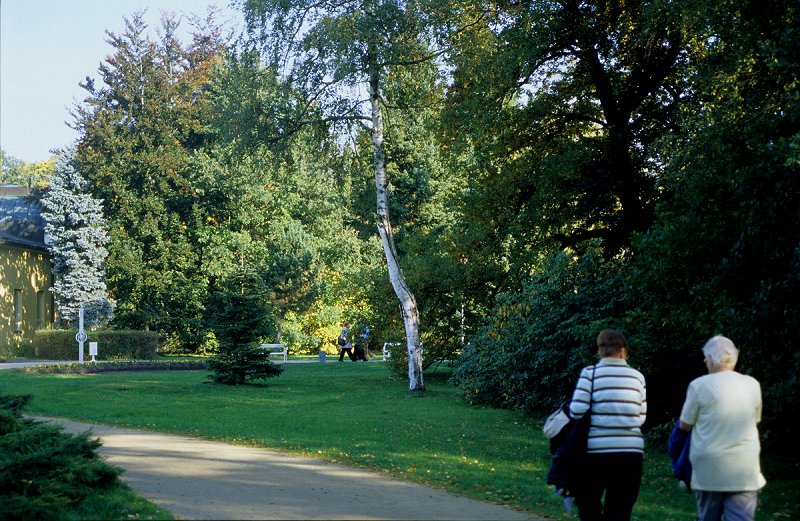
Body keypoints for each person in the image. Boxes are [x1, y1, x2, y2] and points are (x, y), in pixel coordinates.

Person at [678, 335, 766, 521]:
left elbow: (685, 425)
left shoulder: (698, 385)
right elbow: (755, 420)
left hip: (708, 468)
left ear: (709, 359)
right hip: (744, 468)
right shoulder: (752, 384)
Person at [568, 329, 647, 521]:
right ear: (623, 350)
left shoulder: (590, 374)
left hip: (596, 452)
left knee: (588, 504)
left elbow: (576, 411)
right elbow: (641, 417)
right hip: (630, 453)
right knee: (620, 510)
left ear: (600, 350)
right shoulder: (637, 377)